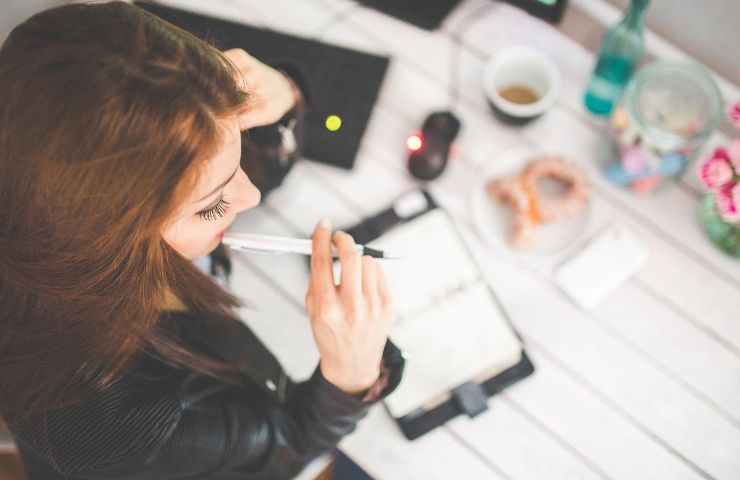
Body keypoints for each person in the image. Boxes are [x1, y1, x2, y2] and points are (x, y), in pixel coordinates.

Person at [0, 2, 404, 479]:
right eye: (211, 205)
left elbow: (221, 167)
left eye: (239, 141)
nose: (250, 196)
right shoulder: (109, 418)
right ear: (108, 238)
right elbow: (286, 447)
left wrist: (285, 93)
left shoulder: (69, 158)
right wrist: (350, 377)